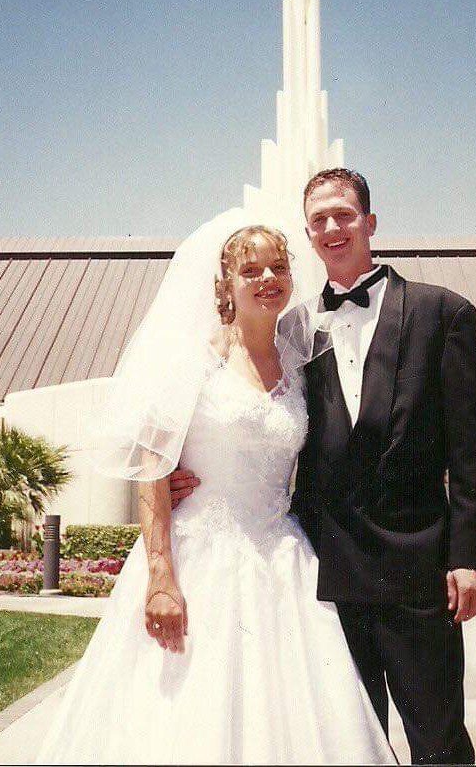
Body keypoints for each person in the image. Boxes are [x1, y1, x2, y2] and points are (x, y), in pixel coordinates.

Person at [36, 211, 396, 766]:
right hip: (197, 556)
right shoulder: (194, 360)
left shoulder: (300, 362)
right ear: (225, 283)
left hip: (283, 559)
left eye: (278, 266)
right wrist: (160, 577)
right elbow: (154, 471)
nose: (266, 279)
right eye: (250, 270)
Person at [172, 170, 476, 765]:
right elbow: (254, 419)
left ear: (370, 223)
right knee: (347, 739)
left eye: (344, 215)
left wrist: (471, 557)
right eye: (318, 219)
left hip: (419, 571)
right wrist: (194, 470)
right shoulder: (292, 330)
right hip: (328, 573)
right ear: (308, 233)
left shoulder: (441, 312)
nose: (332, 228)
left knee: (438, 736)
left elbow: (473, 448)